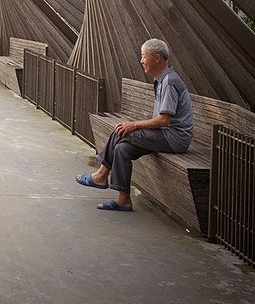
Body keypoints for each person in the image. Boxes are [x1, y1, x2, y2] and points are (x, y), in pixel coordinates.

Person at [75, 38, 193, 211]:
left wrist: (135, 125)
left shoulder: (169, 82)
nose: (141, 61)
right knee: (122, 149)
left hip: (174, 137)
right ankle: (123, 200)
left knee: (121, 131)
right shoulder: (162, 79)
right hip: (165, 134)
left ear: (157, 58)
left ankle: (101, 175)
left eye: (144, 56)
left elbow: (164, 120)